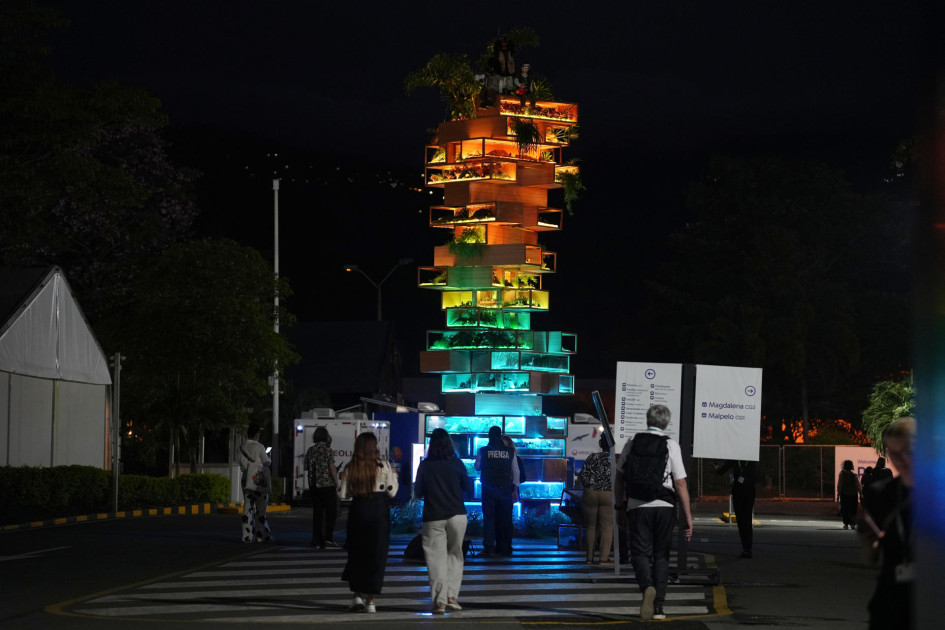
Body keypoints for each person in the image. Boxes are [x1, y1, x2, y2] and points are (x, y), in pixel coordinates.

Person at [613, 405, 693, 622]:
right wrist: (688, 515)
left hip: (638, 505)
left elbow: (619, 477)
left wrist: (619, 507)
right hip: (665, 506)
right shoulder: (671, 445)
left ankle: (647, 586)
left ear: (647, 420)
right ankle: (658, 608)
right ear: (666, 423)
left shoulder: (632, 442)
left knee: (639, 553)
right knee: (661, 556)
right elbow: (680, 483)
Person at [859, 416, 914, 630]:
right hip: (890, 597)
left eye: (908, 451)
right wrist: (869, 540)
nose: (901, 460)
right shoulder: (880, 495)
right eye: (894, 453)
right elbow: (869, 554)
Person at [414, 428, 473, 614]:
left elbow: (418, 492)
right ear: (449, 443)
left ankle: (439, 602)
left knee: (435, 560)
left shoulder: (425, 465)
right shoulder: (457, 463)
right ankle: (452, 598)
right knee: (455, 556)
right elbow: (468, 487)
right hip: (457, 515)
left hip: (433, 517)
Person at [339, 431, 399, 613]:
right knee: (376, 555)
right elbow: (392, 492)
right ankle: (371, 600)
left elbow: (343, 495)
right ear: (375, 448)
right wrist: (394, 476)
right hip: (378, 512)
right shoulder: (384, 466)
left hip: (358, 510)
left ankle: (356, 595)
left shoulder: (352, 467)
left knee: (357, 554)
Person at [474, 426, 519, 557]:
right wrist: (514, 488)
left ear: (489, 436)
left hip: (488, 489)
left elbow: (477, 467)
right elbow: (515, 470)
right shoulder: (510, 451)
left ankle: (489, 548)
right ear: (500, 436)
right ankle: (504, 548)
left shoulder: (483, 450)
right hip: (505, 489)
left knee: (489, 519)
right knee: (505, 519)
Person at [578, 434, 615, 566]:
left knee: (591, 526)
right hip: (608, 493)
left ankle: (589, 558)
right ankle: (603, 559)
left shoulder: (592, 457)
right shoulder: (615, 459)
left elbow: (583, 475)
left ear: (600, 444)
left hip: (590, 492)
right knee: (606, 526)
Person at [304, 426, 340, 549]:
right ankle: (328, 539)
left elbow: (306, 467)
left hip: (313, 485)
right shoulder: (327, 450)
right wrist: (337, 483)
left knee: (317, 513)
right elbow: (332, 468)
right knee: (331, 512)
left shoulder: (310, 450)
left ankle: (317, 540)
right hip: (326, 485)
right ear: (326, 437)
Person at [714, 459, 758, 557]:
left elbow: (721, 471)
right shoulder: (751, 458)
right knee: (747, 518)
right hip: (750, 489)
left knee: (741, 519)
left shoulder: (734, 458)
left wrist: (716, 467)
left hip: (738, 490)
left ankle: (745, 547)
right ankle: (748, 547)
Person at [238, 423, 273, 543]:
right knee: (261, 508)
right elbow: (266, 462)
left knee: (247, 506)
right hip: (258, 479)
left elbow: (242, 464)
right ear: (257, 434)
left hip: (246, 478)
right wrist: (268, 459)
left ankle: (246, 536)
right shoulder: (259, 447)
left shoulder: (242, 447)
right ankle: (261, 535)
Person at [836, 459, 862, 530]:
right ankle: (853, 523)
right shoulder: (854, 475)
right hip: (853, 494)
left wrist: (838, 494)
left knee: (845, 509)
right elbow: (858, 485)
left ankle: (846, 523)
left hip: (844, 494)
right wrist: (861, 493)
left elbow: (840, 484)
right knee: (853, 509)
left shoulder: (842, 474)